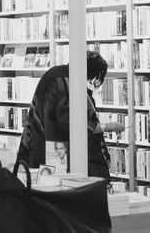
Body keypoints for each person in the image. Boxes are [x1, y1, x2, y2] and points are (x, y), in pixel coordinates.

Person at [16, 51, 125, 179]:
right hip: (56, 149)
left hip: (39, 140)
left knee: (41, 184)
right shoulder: (65, 82)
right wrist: (106, 126)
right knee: (59, 186)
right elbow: (69, 122)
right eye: (94, 76)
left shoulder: (55, 73)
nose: (91, 80)